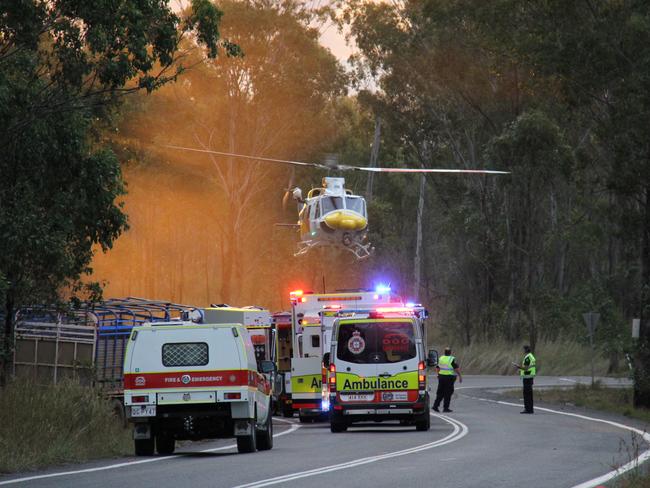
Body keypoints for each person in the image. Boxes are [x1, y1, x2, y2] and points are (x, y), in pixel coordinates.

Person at [432, 347, 462, 412]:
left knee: (440, 392)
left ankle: (435, 406)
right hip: (449, 378)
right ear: (450, 352)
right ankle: (446, 408)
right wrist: (460, 376)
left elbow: (437, 368)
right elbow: (456, 369)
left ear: (444, 352)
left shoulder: (441, 358)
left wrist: (438, 374)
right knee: (448, 393)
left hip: (441, 377)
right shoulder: (452, 359)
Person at [514, 345, 536, 414]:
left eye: (523, 349)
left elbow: (526, 368)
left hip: (527, 377)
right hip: (530, 377)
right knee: (529, 394)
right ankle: (530, 409)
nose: (523, 351)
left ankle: (527, 409)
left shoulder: (527, 358)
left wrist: (518, 367)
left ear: (526, 350)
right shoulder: (531, 356)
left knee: (526, 394)